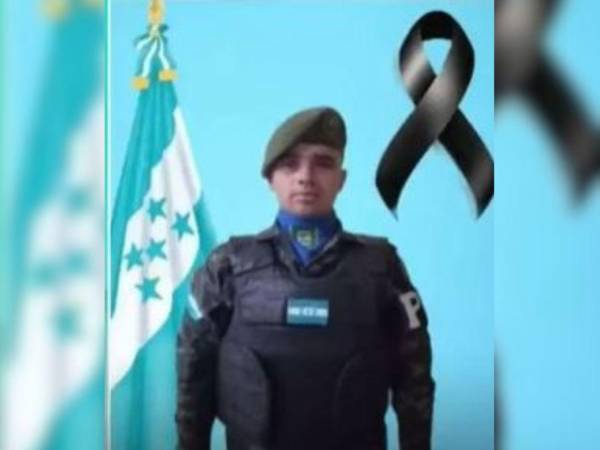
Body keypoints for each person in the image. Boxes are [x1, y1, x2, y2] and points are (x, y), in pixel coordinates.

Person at [176, 106, 435, 450]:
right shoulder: (228, 266)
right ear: (270, 178)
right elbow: (193, 370)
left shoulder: (382, 267)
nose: (305, 177)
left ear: (342, 179)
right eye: (289, 164)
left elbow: (414, 378)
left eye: (323, 163)